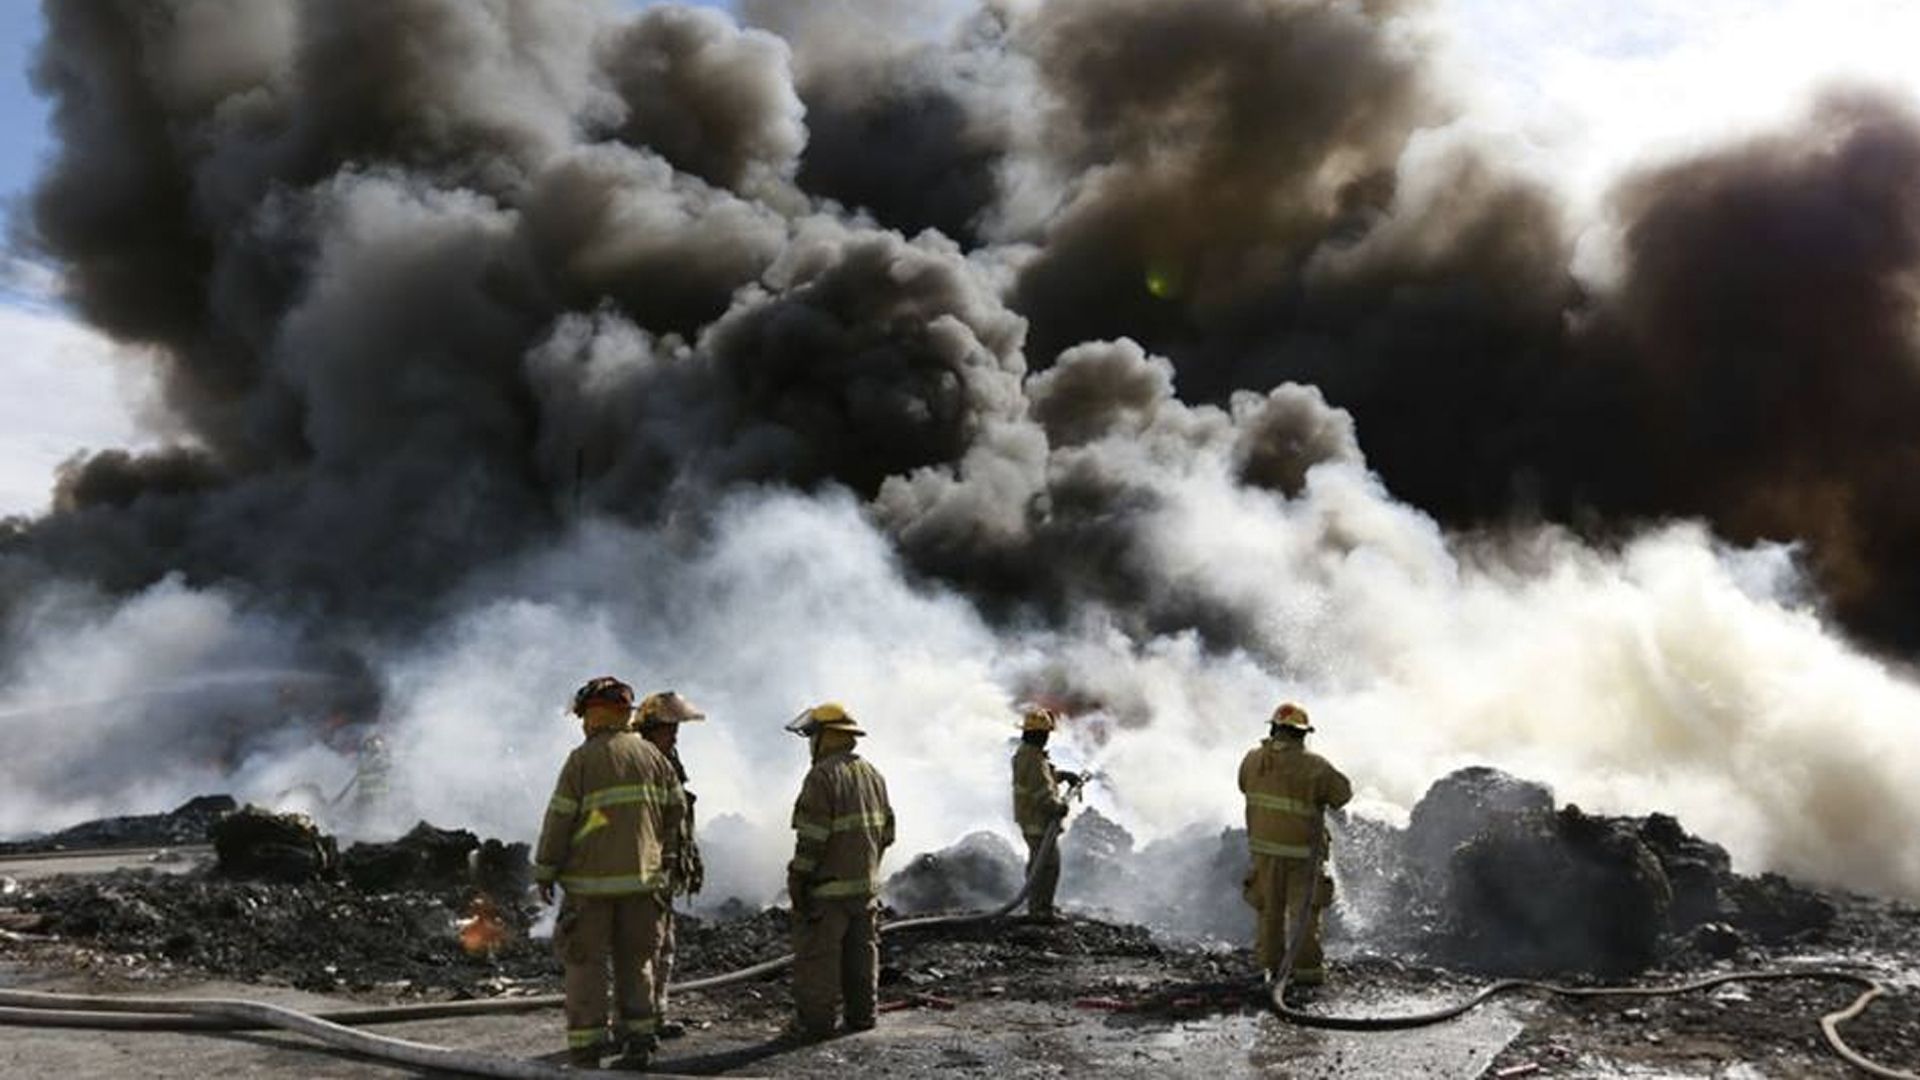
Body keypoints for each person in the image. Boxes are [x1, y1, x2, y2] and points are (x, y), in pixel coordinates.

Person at [533, 676, 686, 1069]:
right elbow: (676, 813)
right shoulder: (652, 756)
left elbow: (560, 820)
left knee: (586, 964)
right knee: (637, 961)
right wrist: (662, 857)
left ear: (594, 714)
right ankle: (638, 1040)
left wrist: (546, 869)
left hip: (591, 887)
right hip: (644, 883)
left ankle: (586, 1049)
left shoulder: (582, 760)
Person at [784, 703, 895, 1038]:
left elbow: (812, 839)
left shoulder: (822, 776)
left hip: (828, 890)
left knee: (818, 959)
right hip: (865, 888)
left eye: (813, 736)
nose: (810, 743)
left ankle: (814, 1024)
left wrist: (799, 877)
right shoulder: (872, 773)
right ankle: (863, 1016)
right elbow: (887, 833)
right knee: (861, 955)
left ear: (826, 738)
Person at [1238, 702, 1352, 988]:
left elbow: (1244, 785)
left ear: (1274, 729)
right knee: (1304, 916)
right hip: (1302, 857)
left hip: (1264, 853)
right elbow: (1342, 794)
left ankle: (1269, 971)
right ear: (1303, 734)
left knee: (1269, 915)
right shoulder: (1316, 766)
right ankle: (1307, 977)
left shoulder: (1252, 760)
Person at [631, 690, 706, 1040]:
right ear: (649, 728)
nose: (675, 735)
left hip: (664, 872)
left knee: (664, 949)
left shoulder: (668, 759)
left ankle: (656, 1017)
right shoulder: (638, 763)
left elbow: (679, 820)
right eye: (668, 728)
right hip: (643, 874)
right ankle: (634, 1025)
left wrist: (686, 861)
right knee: (640, 952)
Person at [1010, 706, 1080, 921]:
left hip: (1031, 819)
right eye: (1045, 734)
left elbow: (1041, 778)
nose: (1047, 738)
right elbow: (1041, 791)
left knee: (1039, 864)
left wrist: (1060, 775)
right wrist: (1057, 807)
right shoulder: (1031, 757)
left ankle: (1038, 907)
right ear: (1037, 734)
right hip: (1037, 821)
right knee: (1048, 866)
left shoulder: (1028, 754)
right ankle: (1041, 910)